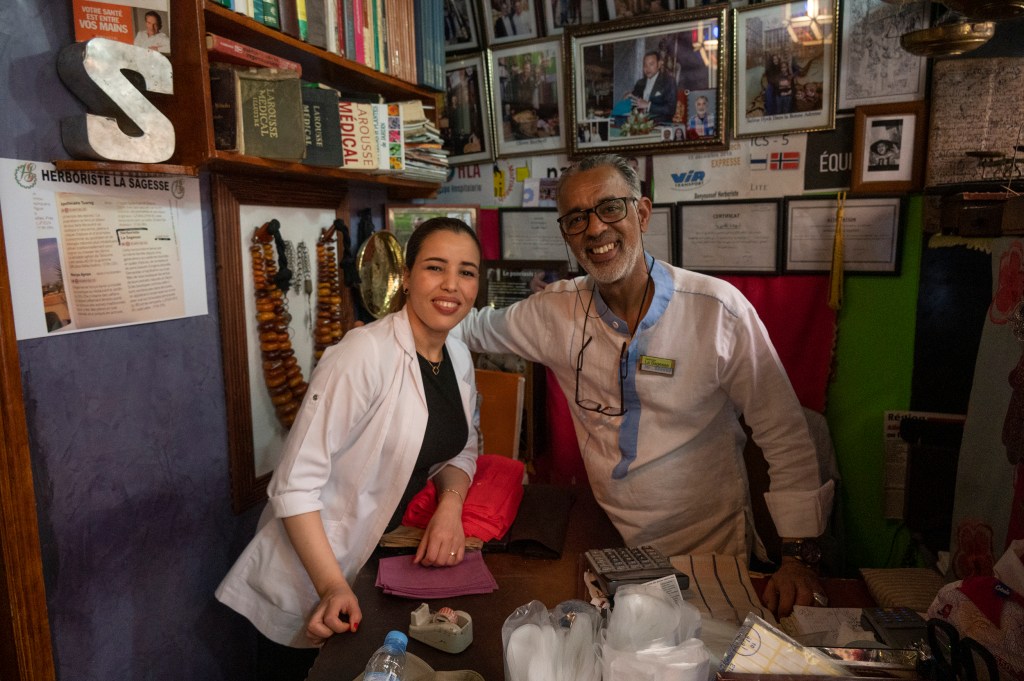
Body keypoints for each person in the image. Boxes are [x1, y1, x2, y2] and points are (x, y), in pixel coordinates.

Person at [455, 155, 834, 617]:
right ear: (567, 235)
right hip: (606, 543)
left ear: (642, 213)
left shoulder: (717, 311)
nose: (595, 229)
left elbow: (786, 434)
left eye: (610, 208)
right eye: (576, 219)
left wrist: (797, 558)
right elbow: (469, 328)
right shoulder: (553, 312)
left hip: (710, 552)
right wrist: (400, 318)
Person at [216, 218, 483, 679]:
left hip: (375, 564)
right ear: (407, 276)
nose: (451, 285)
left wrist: (450, 506)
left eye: (467, 272)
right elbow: (293, 486)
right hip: (310, 576)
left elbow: (463, 448)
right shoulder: (363, 354)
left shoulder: (457, 355)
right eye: (435, 267)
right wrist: (331, 585)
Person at [626, 51, 677, 125]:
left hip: (661, 126)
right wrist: (628, 100)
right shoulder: (640, 83)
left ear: (659, 65)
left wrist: (648, 105)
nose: (647, 68)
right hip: (640, 125)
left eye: (651, 64)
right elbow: (634, 106)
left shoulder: (668, 81)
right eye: (645, 65)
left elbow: (671, 109)